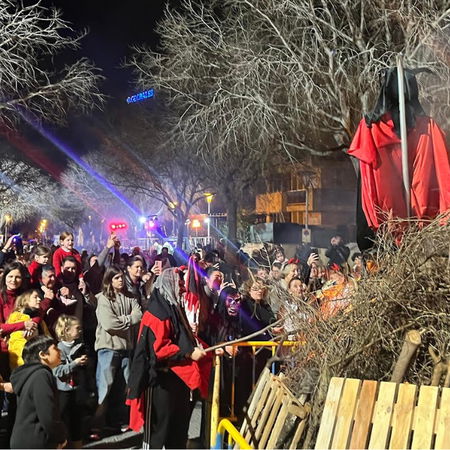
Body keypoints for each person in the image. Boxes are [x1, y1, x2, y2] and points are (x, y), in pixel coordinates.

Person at [127, 268, 209, 449]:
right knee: (158, 432)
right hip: (159, 381)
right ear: (169, 284)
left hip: (177, 379)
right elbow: (160, 348)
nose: (182, 289)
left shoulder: (173, 308)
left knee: (178, 430)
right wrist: (188, 353)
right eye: (179, 284)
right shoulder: (157, 314)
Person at [93, 266, 142, 435]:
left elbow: (138, 316)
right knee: (104, 388)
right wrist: (128, 320)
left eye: (121, 277)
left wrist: (121, 320)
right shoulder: (103, 299)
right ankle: (97, 425)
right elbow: (109, 324)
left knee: (124, 388)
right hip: (108, 348)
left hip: (126, 348)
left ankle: (117, 421)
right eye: (116, 278)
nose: (120, 280)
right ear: (109, 280)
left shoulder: (130, 297)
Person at [10, 335, 67, 449]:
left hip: (23, 439)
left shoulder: (30, 374)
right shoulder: (41, 375)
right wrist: (60, 438)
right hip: (36, 442)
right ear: (43, 355)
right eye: (55, 348)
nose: (59, 350)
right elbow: (48, 414)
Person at [53, 315, 88, 449]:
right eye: (77, 328)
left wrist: (84, 362)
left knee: (77, 421)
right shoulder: (58, 349)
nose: (80, 331)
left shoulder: (80, 345)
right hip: (63, 390)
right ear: (67, 330)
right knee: (61, 420)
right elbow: (58, 371)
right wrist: (74, 363)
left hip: (77, 388)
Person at [7, 289, 50, 369]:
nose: (39, 299)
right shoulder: (18, 319)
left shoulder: (39, 320)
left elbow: (48, 338)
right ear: (25, 300)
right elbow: (18, 347)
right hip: (27, 366)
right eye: (35, 297)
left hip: (43, 362)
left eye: (39, 297)